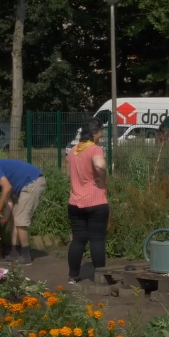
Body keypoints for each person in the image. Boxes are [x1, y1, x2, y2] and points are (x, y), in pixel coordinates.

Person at [66, 118, 110, 284]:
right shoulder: (95, 149)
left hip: (75, 202)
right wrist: (102, 179)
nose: (101, 134)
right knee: (97, 239)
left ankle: (73, 275)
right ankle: (100, 277)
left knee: (78, 239)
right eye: (100, 131)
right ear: (94, 133)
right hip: (95, 201)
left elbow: (69, 169)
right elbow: (100, 166)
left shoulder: (73, 151)